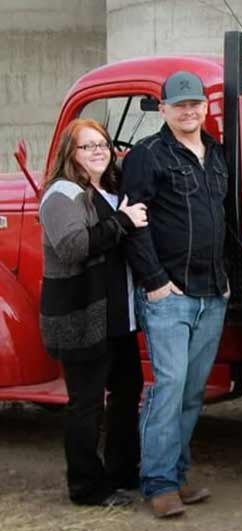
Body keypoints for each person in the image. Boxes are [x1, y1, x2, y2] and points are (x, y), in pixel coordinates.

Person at [122, 70, 230, 519]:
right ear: (163, 109)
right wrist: (156, 284)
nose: (189, 111)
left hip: (212, 292)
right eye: (179, 104)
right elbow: (134, 226)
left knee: (191, 391)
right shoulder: (147, 156)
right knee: (167, 387)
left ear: (205, 107)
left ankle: (178, 475)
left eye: (196, 103)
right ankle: (158, 483)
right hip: (171, 294)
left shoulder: (217, 155)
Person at [39, 119, 147, 508]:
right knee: (86, 402)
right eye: (87, 147)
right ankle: (86, 486)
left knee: (127, 390)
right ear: (70, 154)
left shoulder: (110, 189)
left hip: (117, 316)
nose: (99, 151)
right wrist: (122, 221)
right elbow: (71, 246)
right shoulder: (61, 195)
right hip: (82, 316)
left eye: (103, 144)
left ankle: (122, 472)